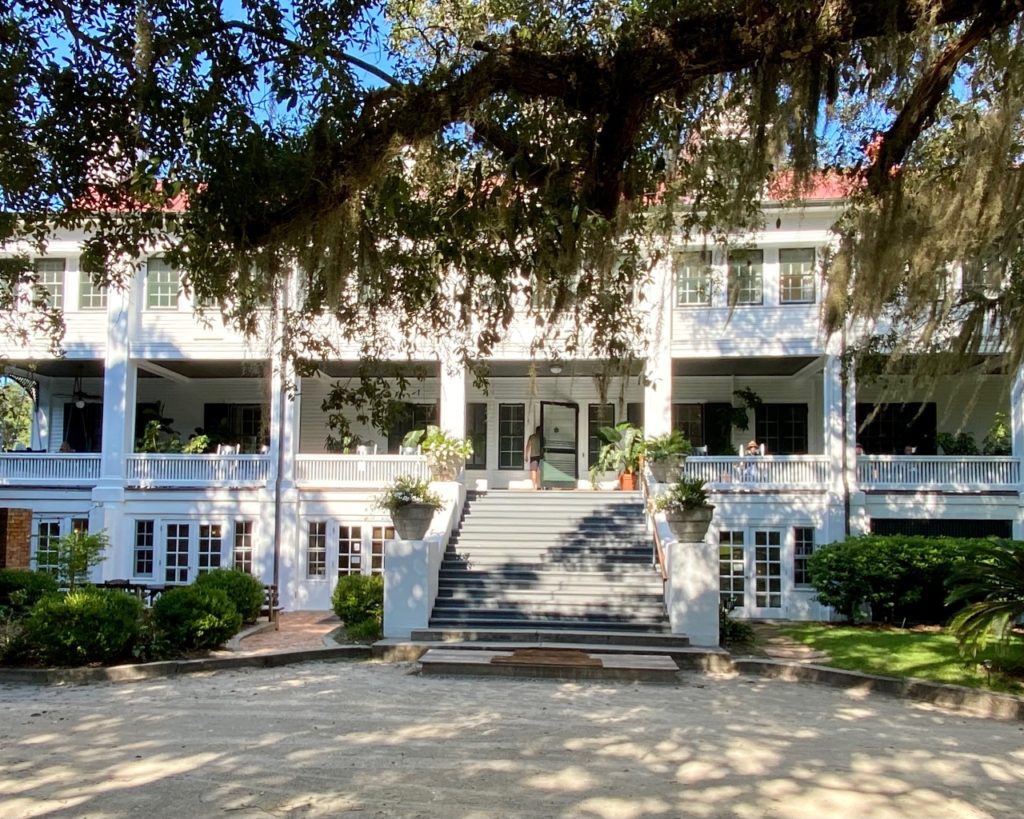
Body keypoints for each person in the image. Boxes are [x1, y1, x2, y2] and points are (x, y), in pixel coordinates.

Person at [525, 426, 542, 490]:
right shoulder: (543, 437)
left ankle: (534, 486)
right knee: (542, 471)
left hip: (533, 456)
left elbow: (528, 446)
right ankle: (542, 486)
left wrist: (526, 455)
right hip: (541, 456)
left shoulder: (531, 437)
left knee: (533, 471)